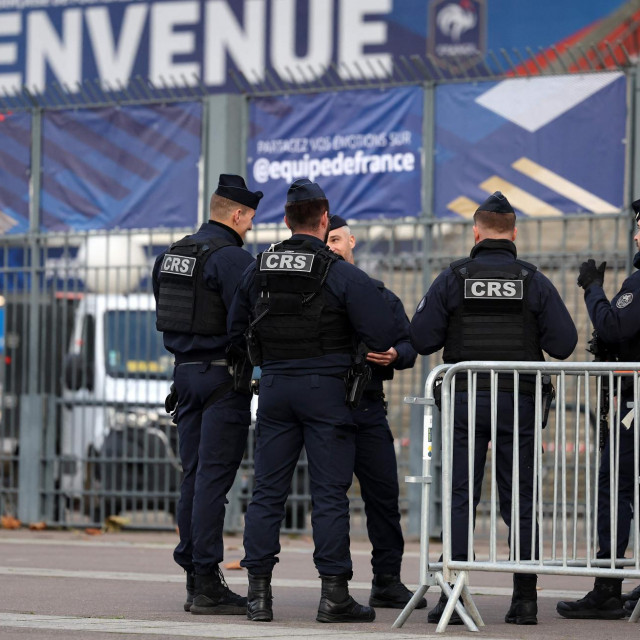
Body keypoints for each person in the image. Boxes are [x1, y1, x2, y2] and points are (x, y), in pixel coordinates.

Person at [227, 178, 397, 623]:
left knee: (267, 492)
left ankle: (259, 596)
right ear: (325, 221)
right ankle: (334, 595)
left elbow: (235, 330)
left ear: (285, 220)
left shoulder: (259, 265)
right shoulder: (340, 272)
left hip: (277, 389)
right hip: (326, 390)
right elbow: (380, 335)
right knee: (328, 495)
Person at [409, 191, 577, 626]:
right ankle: (523, 599)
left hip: (465, 400)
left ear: (476, 231)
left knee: (462, 493)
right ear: (515, 232)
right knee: (518, 496)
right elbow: (563, 343)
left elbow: (422, 338)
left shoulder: (453, 277)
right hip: (517, 402)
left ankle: (456, 592)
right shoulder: (533, 279)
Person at [152, 174, 263, 615]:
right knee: (213, 483)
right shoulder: (233, 259)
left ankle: (194, 577)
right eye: (250, 218)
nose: (251, 226)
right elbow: (254, 316)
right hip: (222, 380)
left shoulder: (171, 255)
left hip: (184, 378)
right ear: (236, 214)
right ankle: (205, 583)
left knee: (193, 477)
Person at [326, 214, 426, 610]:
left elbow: (409, 343)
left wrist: (395, 354)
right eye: (327, 239)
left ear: (352, 242)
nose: (332, 245)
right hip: (327, 409)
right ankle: (335, 586)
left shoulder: (376, 292)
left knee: (383, 496)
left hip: (367, 405)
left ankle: (387, 580)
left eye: (338, 239)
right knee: (331, 498)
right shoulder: (312, 294)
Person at [556, 200, 640, 620]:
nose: (638, 235)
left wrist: (593, 289)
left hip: (633, 403)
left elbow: (614, 326)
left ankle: (607, 587)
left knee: (615, 486)